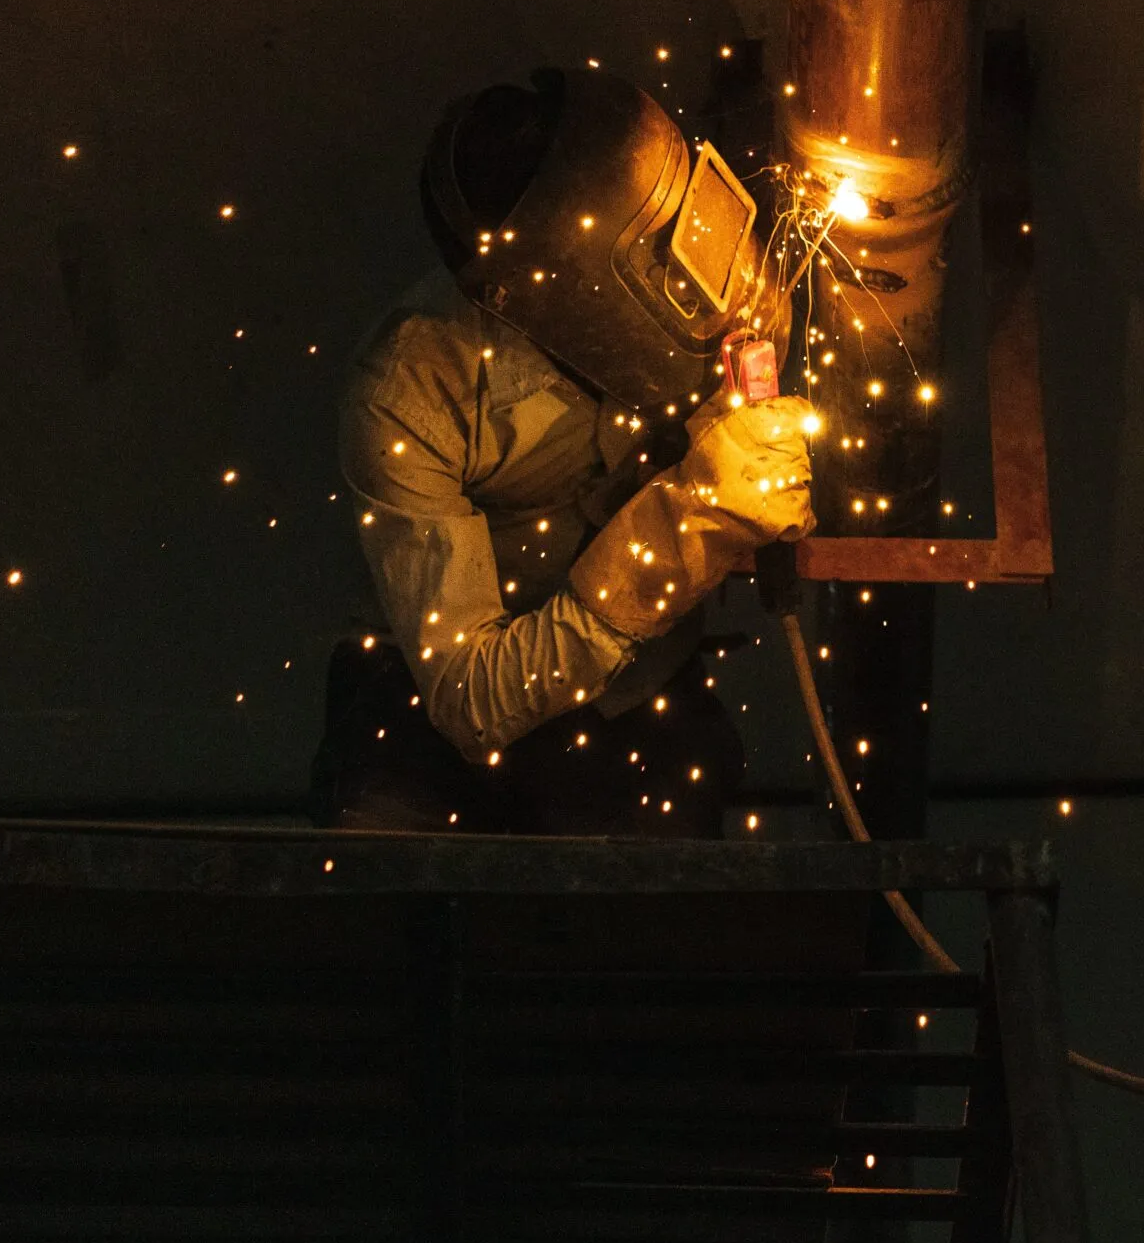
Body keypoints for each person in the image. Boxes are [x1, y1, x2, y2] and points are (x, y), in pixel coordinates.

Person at [314, 67, 818, 836]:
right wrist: (688, 526)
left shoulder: (675, 260)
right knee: (378, 863)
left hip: (632, 688)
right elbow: (469, 700)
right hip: (424, 706)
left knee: (665, 868)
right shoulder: (407, 390)